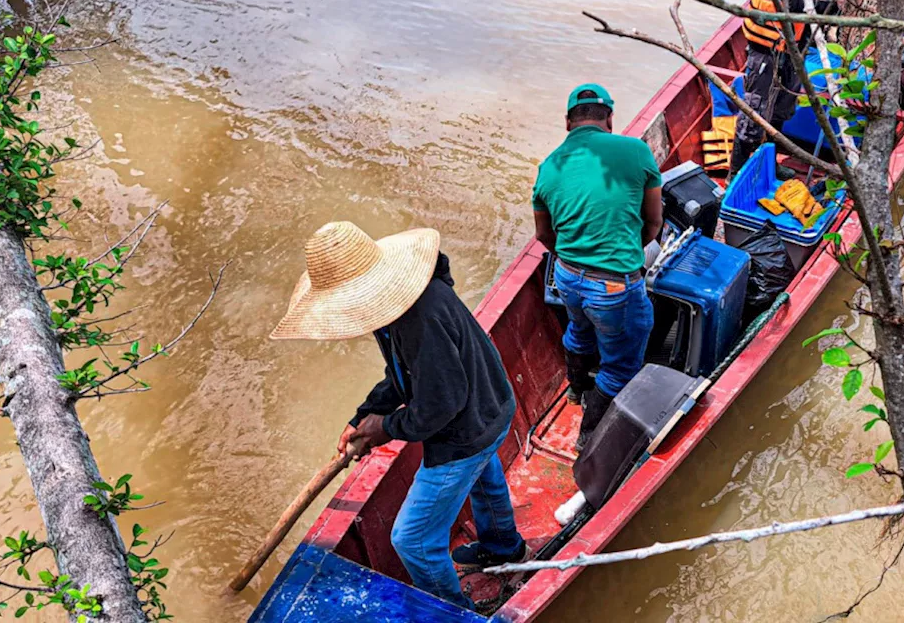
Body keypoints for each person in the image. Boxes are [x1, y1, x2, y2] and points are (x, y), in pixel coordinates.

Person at [270, 222, 525, 611]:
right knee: (484, 477)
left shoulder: (419, 321)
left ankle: (453, 613)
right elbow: (401, 375)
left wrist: (386, 428)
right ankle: (504, 547)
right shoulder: (400, 308)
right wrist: (365, 416)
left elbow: (441, 404)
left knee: (413, 540)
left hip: (469, 422)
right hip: (490, 402)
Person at [532, 83, 663, 449]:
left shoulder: (548, 166)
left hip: (567, 277)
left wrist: (577, 261)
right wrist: (621, 260)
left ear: (567, 122)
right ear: (609, 119)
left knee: (579, 327)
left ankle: (576, 389)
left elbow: (544, 236)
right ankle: (588, 437)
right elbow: (653, 224)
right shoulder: (636, 150)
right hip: (614, 287)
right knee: (620, 366)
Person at [732, 0, 847, 175]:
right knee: (755, 114)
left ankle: (768, 165)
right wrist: (834, 4)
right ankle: (737, 172)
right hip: (768, 50)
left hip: (797, 48)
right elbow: (795, 2)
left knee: (782, 110)